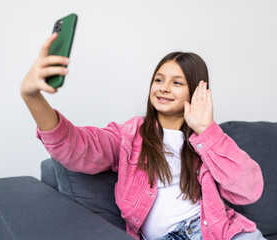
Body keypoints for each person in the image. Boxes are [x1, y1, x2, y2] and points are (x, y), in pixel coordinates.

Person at [20, 33, 265, 240]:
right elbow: (77, 147)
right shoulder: (129, 136)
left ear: (197, 91)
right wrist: (32, 97)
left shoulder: (207, 141)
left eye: (177, 82)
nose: (164, 87)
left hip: (221, 233)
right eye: (159, 79)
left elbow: (249, 190)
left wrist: (206, 130)